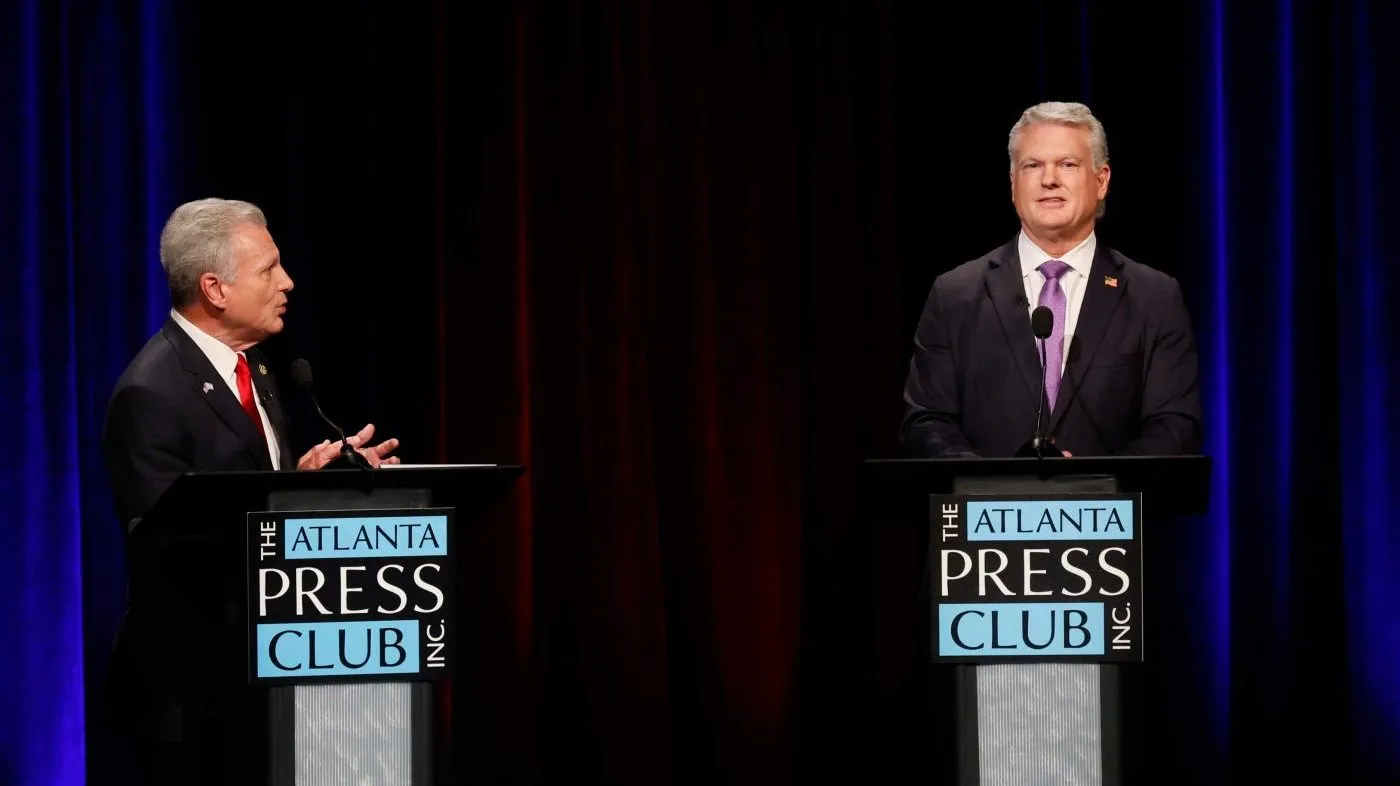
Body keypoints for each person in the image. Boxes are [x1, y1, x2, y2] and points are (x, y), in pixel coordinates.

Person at [100, 198, 401, 784]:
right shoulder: (150, 393)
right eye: (268, 269)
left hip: (258, 678)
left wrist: (310, 487)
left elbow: (255, 494)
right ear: (215, 288)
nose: (287, 282)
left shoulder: (255, 368)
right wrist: (288, 503)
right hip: (190, 697)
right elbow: (169, 547)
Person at [899, 101, 1203, 458]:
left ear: (1101, 181)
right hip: (987, 496)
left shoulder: (1154, 298)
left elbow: (1174, 426)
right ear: (1013, 183)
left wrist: (1092, 482)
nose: (1049, 179)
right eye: (1033, 165)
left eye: (1067, 164)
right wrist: (994, 482)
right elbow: (926, 422)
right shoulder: (955, 295)